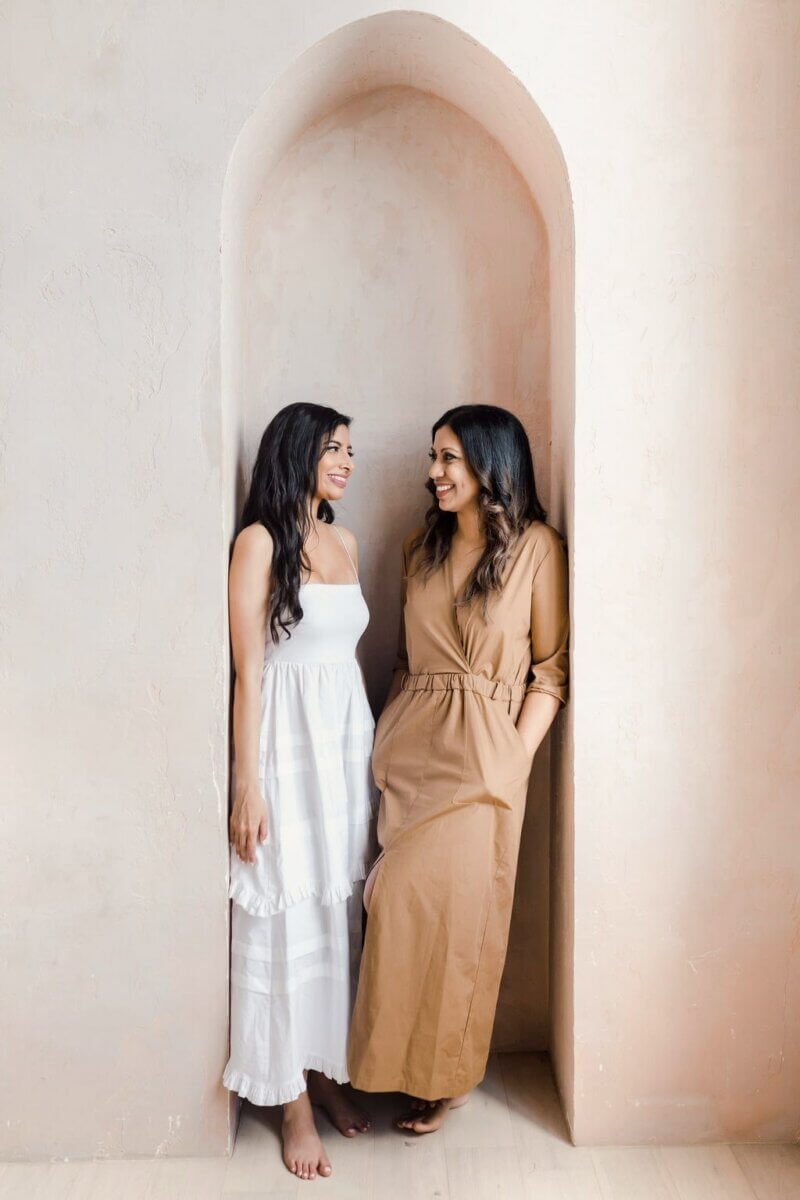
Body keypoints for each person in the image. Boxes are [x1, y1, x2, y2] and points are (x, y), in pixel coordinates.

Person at [347, 403, 569, 1133]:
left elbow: (551, 670)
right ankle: (395, 1066)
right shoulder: (420, 548)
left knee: (465, 917)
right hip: (412, 746)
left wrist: (512, 758)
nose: (433, 472)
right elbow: (409, 659)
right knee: (400, 905)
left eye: (448, 458)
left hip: (488, 757)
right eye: (432, 457)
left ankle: (450, 1076)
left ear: (490, 463)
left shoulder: (537, 548)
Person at [223, 402, 377, 1180]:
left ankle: (323, 1071)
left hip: (343, 749)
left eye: (353, 449)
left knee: (336, 912)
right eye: (334, 448)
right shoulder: (258, 544)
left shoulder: (344, 540)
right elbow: (250, 671)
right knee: (285, 911)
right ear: (297, 452)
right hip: (285, 747)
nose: (348, 461)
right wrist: (247, 785)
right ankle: (289, 1103)